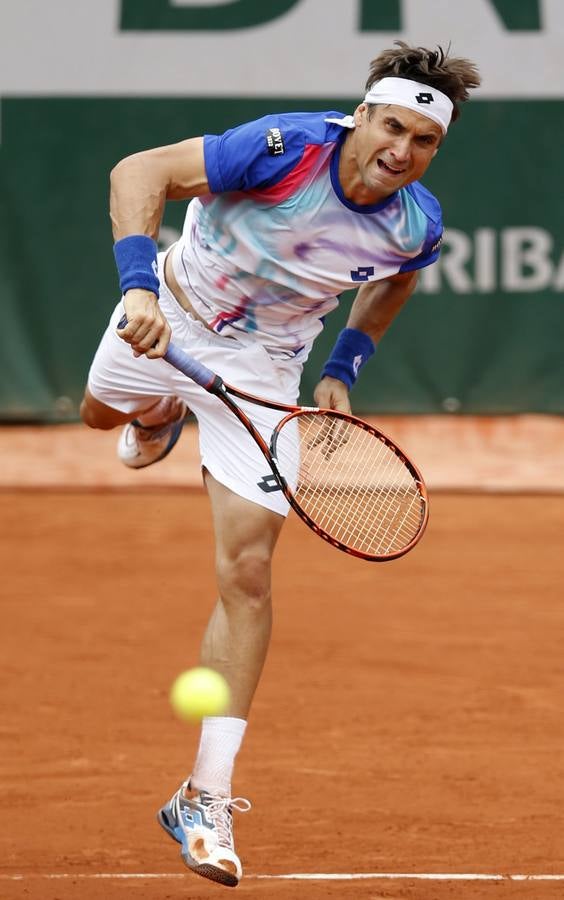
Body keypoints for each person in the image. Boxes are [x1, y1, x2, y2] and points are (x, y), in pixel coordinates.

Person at [80, 41, 480, 888]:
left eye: (424, 141)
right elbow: (137, 170)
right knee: (99, 414)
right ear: (361, 115)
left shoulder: (416, 223)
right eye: (392, 126)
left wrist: (342, 369)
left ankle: (203, 796)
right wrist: (137, 285)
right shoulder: (281, 148)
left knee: (251, 572)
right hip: (170, 313)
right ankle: (155, 411)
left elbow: (395, 280)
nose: (402, 151)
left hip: (262, 374)